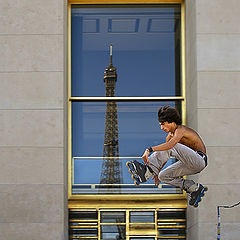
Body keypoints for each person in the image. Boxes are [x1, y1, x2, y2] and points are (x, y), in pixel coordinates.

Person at [126, 105, 208, 207]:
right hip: (188, 162)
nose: (162, 128)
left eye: (163, 124)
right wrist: (156, 172)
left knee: (172, 145)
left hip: (199, 160)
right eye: (160, 125)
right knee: (163, 176)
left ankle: (147, 170)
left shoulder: (181, 130)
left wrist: (149, 149)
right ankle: (193, 188)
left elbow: (170, 145)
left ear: (172, 121)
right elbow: (165, 154)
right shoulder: (170, 136)